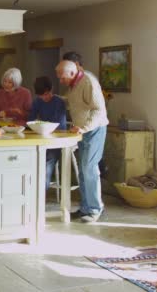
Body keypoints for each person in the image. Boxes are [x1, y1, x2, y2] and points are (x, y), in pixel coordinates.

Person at [56, 59, 109, 223]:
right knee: (83, 171)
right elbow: (76, 103)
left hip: (95, 130)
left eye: (61, 77)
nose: (60, 80)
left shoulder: (88, 82)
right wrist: (56, 98)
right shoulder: (73, 84)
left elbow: (98, 109)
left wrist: (84, 128)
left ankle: (95, 209)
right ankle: (85, 208)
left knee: (89, 168)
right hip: (83, 131)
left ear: (72, 73)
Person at [29, 76, 67, 191]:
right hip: (42, 139)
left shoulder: (59, 102)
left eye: (46, 94)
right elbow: (31, 119)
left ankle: (41, 195)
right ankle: (31, 193)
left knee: (45, 165)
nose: (44, 97)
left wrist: (41, 126)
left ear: (51, 90)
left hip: (56, 141)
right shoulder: (37, 102)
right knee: (30, 159)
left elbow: (58, 125)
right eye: (41, 95)